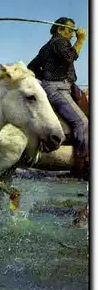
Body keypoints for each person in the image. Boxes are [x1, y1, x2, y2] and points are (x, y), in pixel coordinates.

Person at [27, 17, 89, 180]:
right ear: (59, 30)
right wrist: (81, 39)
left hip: (57, 86)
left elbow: (31, 68)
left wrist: (46, 78)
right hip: (58, 89)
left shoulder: (45, 48)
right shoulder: (60, 42)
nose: (72, 34)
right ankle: (83, 166)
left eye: (74, 31)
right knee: (82, 122)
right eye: (70, 30)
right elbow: (70, 57)